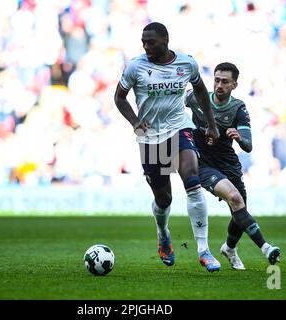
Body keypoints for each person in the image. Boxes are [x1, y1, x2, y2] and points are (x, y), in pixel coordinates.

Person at [114, 22, 221, 272]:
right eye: (143, 42)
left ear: (165, 40)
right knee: (164, 199)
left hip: (179, 127)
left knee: (192, 179)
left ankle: (204, 250)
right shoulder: (136, 67)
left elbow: (201, 90)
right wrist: (135, 122)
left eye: (150, 41)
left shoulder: (186, 63)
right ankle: (163, 233)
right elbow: (119, 97)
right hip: (151, 137)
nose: (146, 46)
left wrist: (211, 125)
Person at [184, 62, 281, 270]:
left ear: (234, 85)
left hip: (229, 164)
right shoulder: (196, 98)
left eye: (225, 81)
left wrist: (238, 138)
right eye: (217, 80)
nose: (219, 85)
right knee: (235, 198)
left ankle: (229, 248)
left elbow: (248, 145)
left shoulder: (238, 108)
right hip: (202, 163)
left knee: (239, 211)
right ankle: (266, 248)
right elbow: (173, 102)